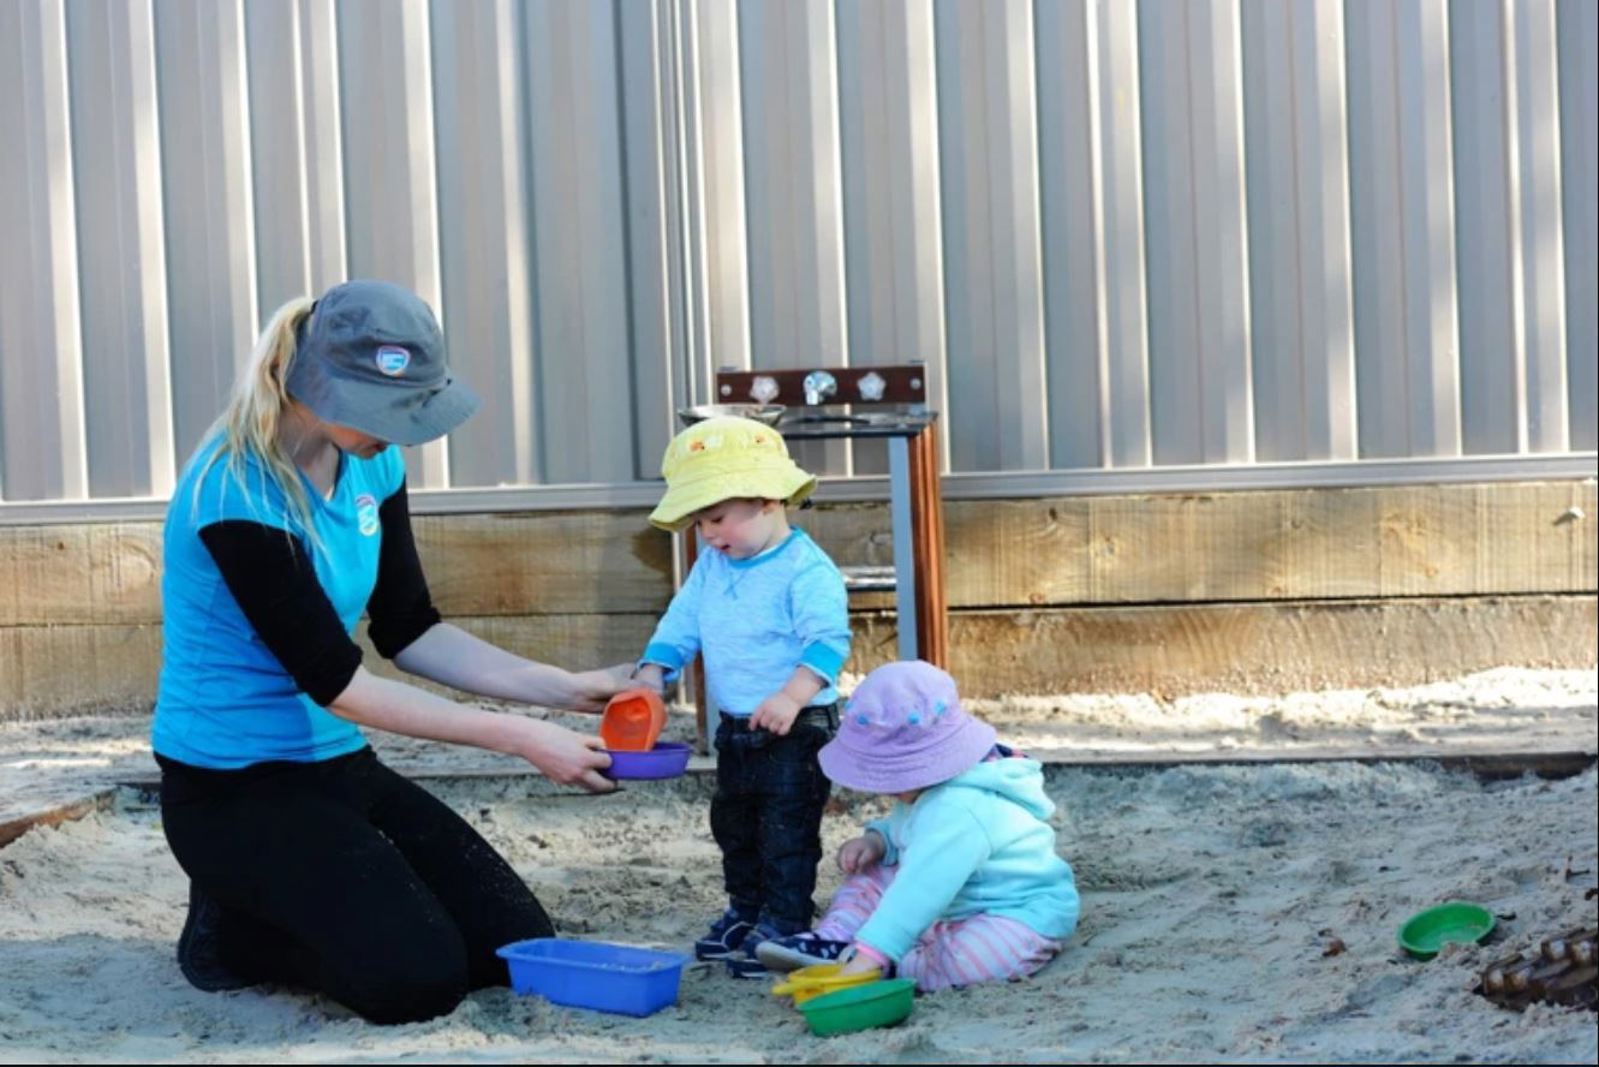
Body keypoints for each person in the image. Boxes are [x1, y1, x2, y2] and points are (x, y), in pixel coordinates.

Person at [153, 279, 629, 1024]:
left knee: (511, 948)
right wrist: (524, 738)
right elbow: (336, 681)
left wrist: (563, 689)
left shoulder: (371, 462)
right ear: (315, 384)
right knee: (417, 981)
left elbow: (409, 628)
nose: (400, 429)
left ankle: (297, 897)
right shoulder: (234, 490)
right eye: (382, 408)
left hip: (336, 764)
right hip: (230, 786)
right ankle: (232, 930)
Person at [630, 415, 851, 978]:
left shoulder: (805, 569)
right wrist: (656, 669)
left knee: (786, 830)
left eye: (718, 518)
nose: (707, 533)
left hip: (795, 729)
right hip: (736, 730)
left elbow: (828, 643)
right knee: (734, 824)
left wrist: (791, 695)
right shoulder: (712, 565)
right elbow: (684, 620)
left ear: (769, 500)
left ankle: (786, 920)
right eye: (701, 521)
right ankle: (746, 909)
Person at [756, 660, 1079, 992]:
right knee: (871, 872)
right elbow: (905, 827)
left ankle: (893, 963)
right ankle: (835, 938)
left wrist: (871, 956)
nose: (883, 787)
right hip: (950, 905)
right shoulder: (933, 789)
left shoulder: (959, 808)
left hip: (1012, 914)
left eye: (890, 775)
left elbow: (919, 891)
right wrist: (877, 842)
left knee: (971, 959)